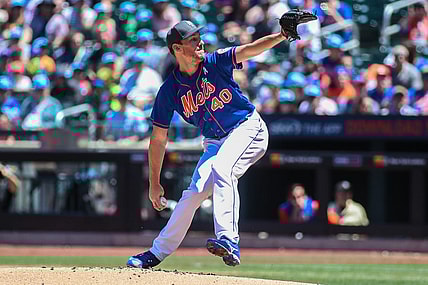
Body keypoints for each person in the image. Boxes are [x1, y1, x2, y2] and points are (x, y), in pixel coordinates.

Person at [127, 20, 290, 269]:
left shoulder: (214, 62)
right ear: (177, 49)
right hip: (215, 141)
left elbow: (251, 49)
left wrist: (281, 35)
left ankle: (229, 239)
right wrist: (154, 183)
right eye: (192, 39)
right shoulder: (169, 90)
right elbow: (158, 139)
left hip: (248, 128)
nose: (199, 41)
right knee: (193, 194)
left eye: (198, 36)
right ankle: (156, 253)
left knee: (222, 169)